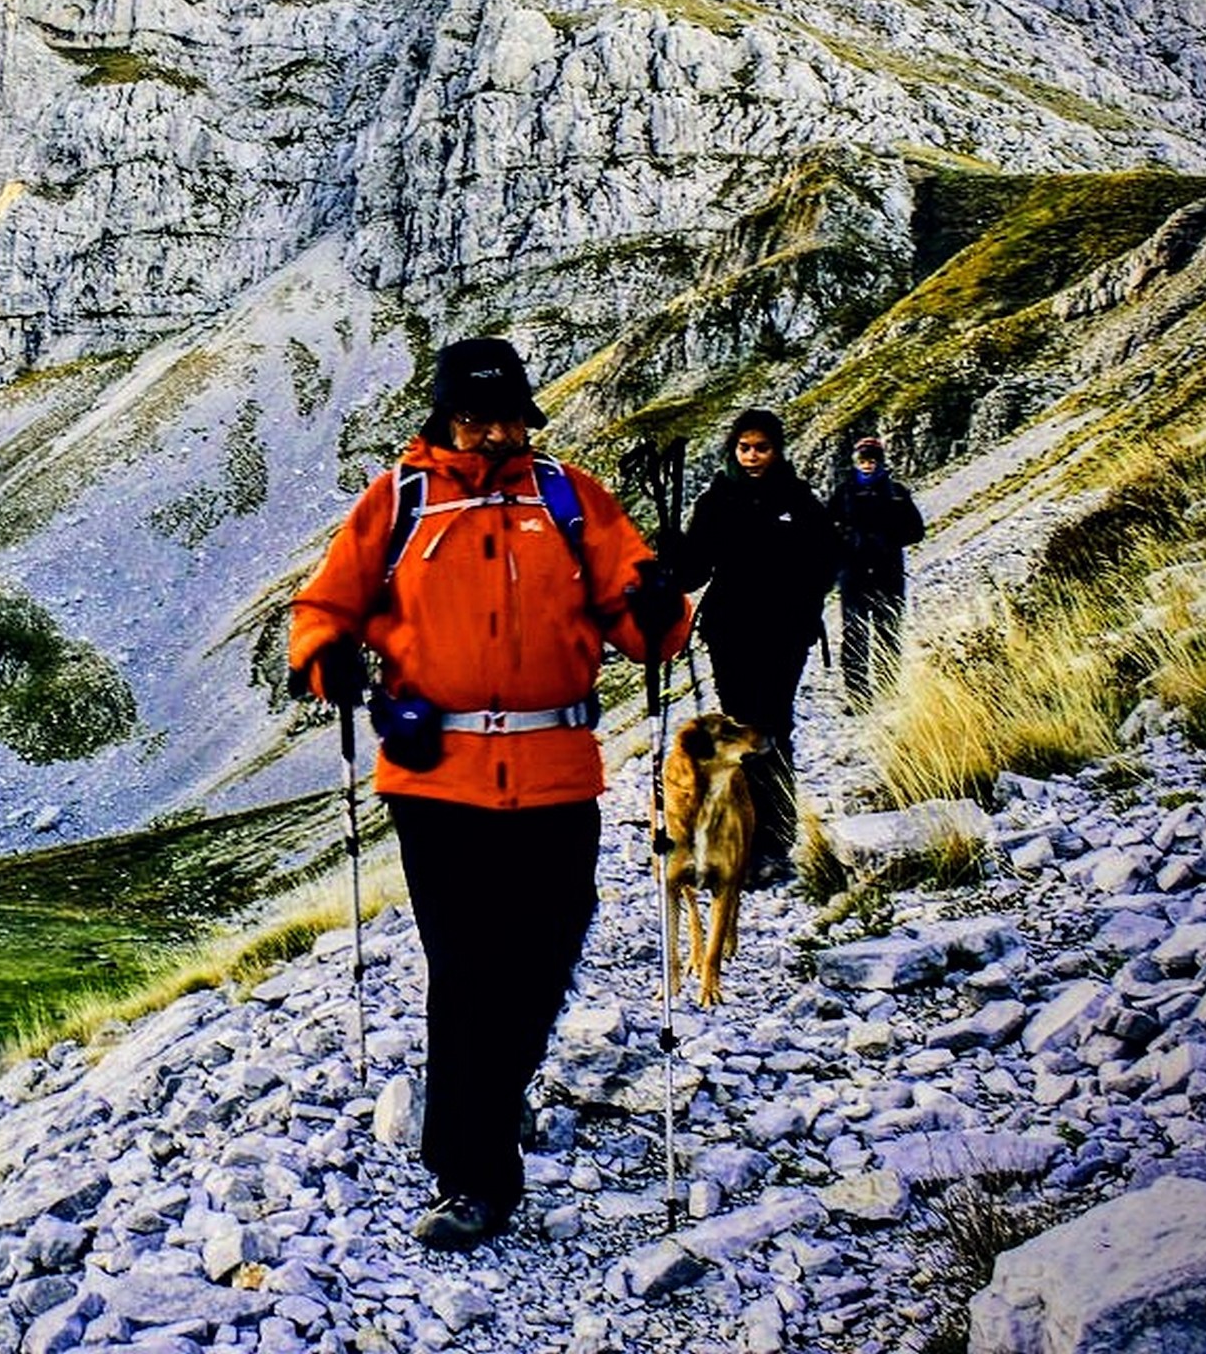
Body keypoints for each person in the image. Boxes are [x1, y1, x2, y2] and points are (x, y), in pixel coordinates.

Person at [288, 336, 688, 1251]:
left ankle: (494, 1094)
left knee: (547, 953)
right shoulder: (399, 501)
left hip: (556, 771)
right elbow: (320, 612)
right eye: (476, 419)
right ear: (444, 419)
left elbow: (643, 628)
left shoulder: (570, 498)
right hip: (437, 782)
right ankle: (471, 1172)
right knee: (467, 971)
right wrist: (327, 661)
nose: (494, 434)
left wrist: (662, 603)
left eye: (508, 417)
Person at [672, 409, 840, 889]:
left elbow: (827, 558)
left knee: (771, 728)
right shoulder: (717, 502)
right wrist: (672, 554)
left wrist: (803, 602)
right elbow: (692, 572)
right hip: (731, 632)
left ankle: (773, 842)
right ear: (733, 449)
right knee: (742, 731)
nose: (752, 456)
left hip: (783, 633)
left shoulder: (798, 500)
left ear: (776, 449)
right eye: (744, 448)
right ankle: (740, 840)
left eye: (761, 447)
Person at [826, 436, 925, 711]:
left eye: (872, 459)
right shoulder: (843, 493)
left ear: (880, 461)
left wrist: (887, 540)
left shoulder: (897, 493)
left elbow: (917, 531)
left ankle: (888, 689)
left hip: (887, 572)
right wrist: (845, 542)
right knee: (854, 633)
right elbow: (824, 530)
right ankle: (858, 696)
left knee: (888, 631)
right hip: (853, 574)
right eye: (862, 459)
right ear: (855, 462)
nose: (867, 465)